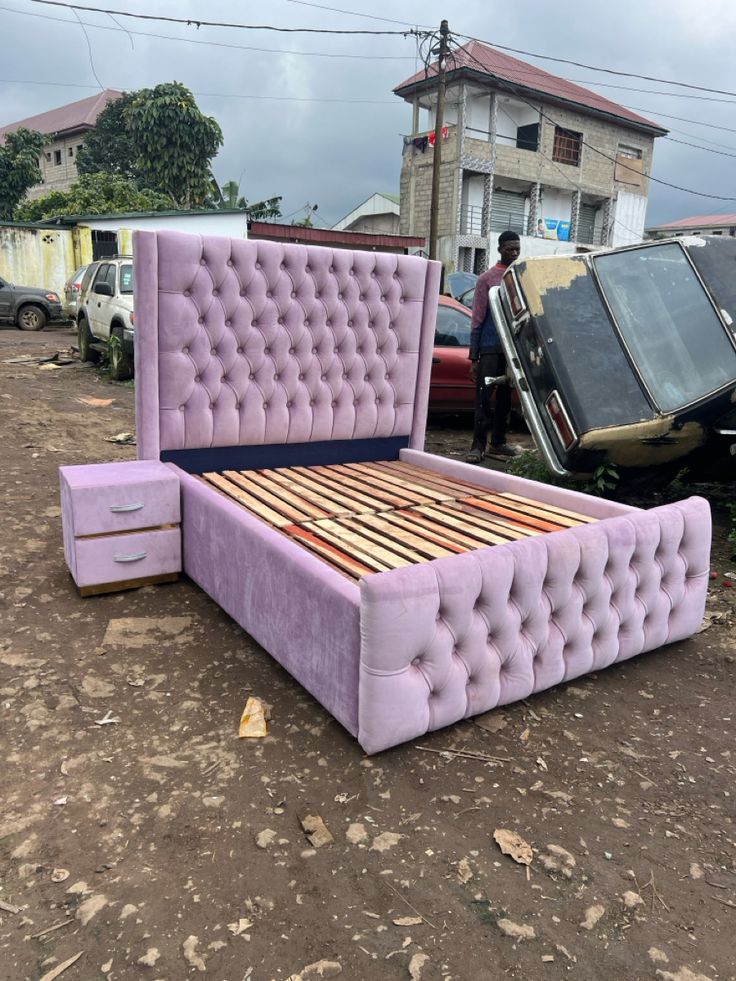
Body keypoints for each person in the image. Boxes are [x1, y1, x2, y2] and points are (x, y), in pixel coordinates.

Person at [466, 230, 521, 463]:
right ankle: (478, 445)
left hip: (512, 350)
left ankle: (498, 442)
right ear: (500, 249)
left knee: (505, 398)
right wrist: (474, 357)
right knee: (484, 397)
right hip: (489, 347)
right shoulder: (486, 279)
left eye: (518, 248)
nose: (515, 252)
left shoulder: (520, 275)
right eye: (510, 248)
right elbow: (477, 317)